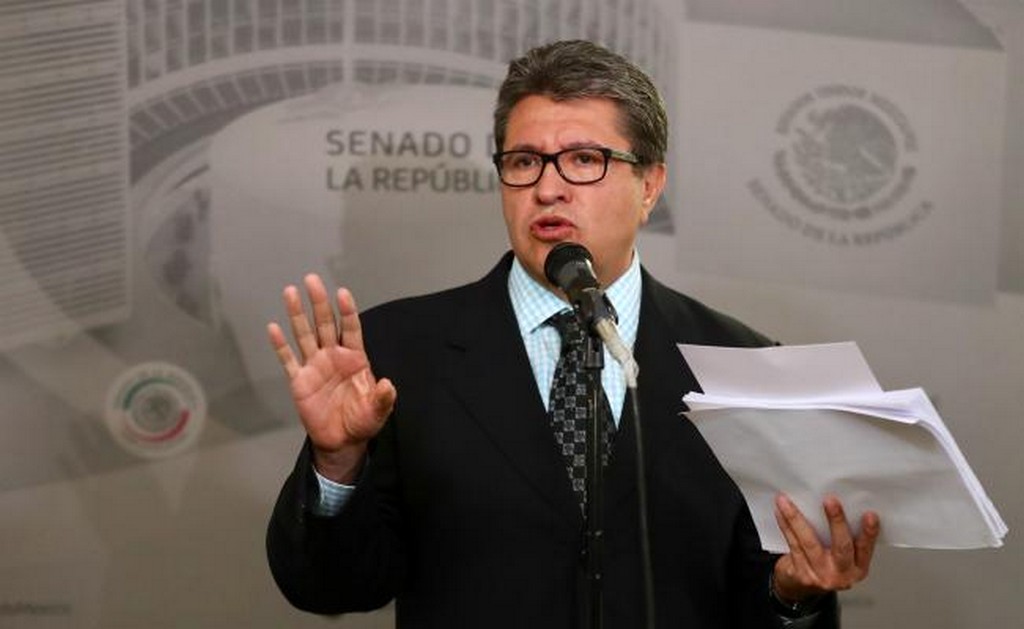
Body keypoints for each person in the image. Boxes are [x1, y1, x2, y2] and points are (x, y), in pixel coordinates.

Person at [265, 40, 879, 628]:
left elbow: (760, 597)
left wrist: (791, 595)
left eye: (585, 159)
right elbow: (334, 586)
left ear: (650, 185)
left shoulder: (742, 364)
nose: (547, 188)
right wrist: (338, 463)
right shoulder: (399, 351)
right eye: (524, 161)